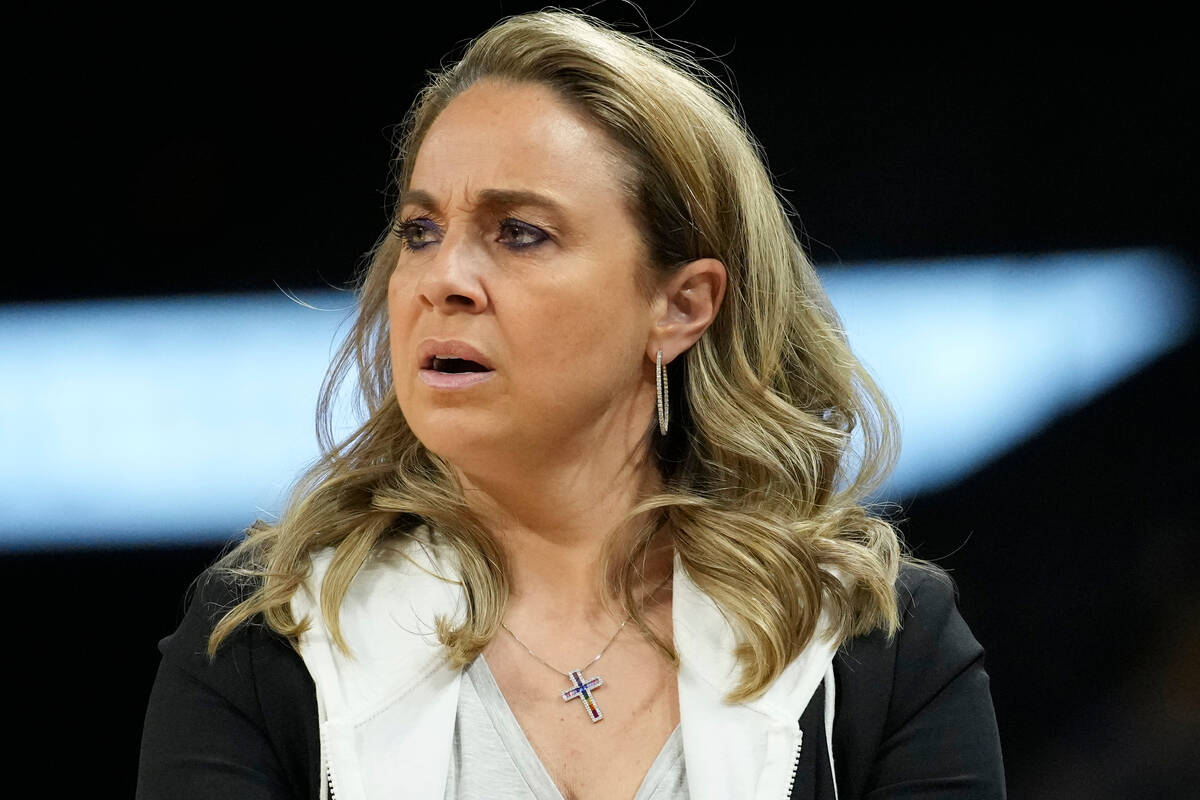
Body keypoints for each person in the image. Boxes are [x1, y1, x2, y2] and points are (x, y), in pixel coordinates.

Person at [136, 10, 1005, 800]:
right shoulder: (265, 639)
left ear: (681, 306)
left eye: (521, 233)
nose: (444, 280)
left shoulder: (876, 644)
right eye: (420, 232)